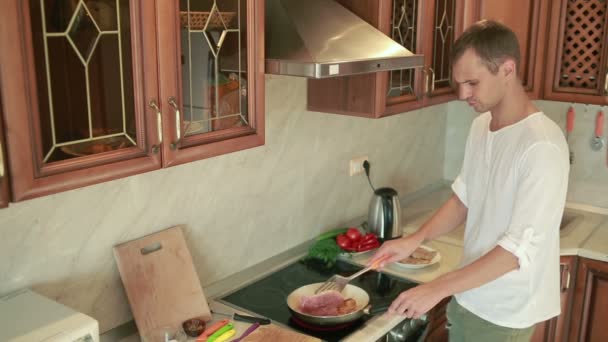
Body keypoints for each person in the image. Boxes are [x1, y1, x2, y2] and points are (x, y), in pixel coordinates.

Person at [368, 20, 570, 341]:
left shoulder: (541, 146)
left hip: (503, 311)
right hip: (470, 295)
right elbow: (463, 200)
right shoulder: (482, 127)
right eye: (460, 83)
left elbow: (515, 252)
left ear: (507, 69)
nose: (463, 94)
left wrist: (436, 288)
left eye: (473, 83)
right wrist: (415, 240)